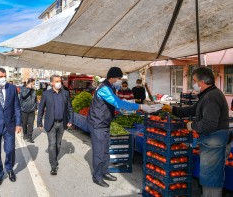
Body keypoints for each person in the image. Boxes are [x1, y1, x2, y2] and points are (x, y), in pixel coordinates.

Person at [87, 67, 161, 187]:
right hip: (97, 124)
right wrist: (140, 107)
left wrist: (127, 111)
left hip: (104, 123)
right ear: (112, 77)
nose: (119, 80)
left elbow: (115, 105)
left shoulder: (110, 87)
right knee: (99, 152)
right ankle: (97, 176)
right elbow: (118, 103)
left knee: (105, 150)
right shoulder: (104, 88)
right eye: (118, 78)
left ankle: (105, 172)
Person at [163, 67, 229, 197]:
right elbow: (193, 110)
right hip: (211, 140)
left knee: (211, 176)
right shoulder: (208, 94)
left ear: (201, 82)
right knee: (210, 174)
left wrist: (192, 126)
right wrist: (173, 109)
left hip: (213, 140)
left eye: (194, 81)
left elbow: (209, 123)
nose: (193, 84)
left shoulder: (211, 97)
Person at [37, 74, 74, 176]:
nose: (59, 83)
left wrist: (71, 119)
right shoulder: (46, 94)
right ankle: (53, 166)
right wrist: (39, 122)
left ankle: (54, 159)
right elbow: (41, 109)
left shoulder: (65, 93)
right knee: (52, 145)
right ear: (52, 83)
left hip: (62, 123)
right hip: (51, 123)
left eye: (60, 81)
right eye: (57, 81)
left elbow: (70, 108)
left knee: (58, 144)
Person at [19, 78, 37, 143]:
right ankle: (25, 134)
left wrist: (36, 107)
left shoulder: (34, 91)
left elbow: (35, 99)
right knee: (24, 124)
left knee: (31, 124)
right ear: (29, 83)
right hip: (24, 110)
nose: (34, 85)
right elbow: (23, 95)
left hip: (32, 111)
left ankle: (30, 137)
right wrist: (28, 88)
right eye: (33, 84)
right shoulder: (23, 89)